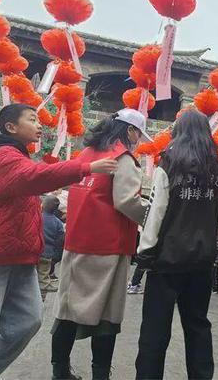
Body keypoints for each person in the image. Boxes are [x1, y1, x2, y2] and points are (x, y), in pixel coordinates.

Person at [0, 104, 117, 380]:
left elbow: (32, 178)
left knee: (28, 321)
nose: (39, 125)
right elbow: (32, 178)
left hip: (21, 257)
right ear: (11, 127)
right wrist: (86, 167)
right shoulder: (3, 155)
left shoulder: (17, 156)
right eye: (32, 119)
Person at [50, 109, 151, 380]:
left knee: (67, 310)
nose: (138, 139)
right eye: (139, 134)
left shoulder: (87, 155)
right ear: (130, 131)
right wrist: (153, 216)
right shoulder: (123, 159)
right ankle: (100, 375)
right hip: (108, 246)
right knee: (106, 316)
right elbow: (127, 201)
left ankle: (59, 370)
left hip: (76, 242)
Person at [135, 110, 218, 380]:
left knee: (155, 330)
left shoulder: (170, 162)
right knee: (198, 325)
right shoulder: (215, 166)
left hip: (167, 260)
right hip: (202, 260)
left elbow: (156, 211)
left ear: (179, 131)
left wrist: (145, 250)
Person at [38, 195, 66, 299]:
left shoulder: (38, 217)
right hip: (48, 254)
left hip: (36, 251)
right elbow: (60, 239)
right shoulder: (58, 223)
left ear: (43, 206)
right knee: (43, 273)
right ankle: (43, 290)